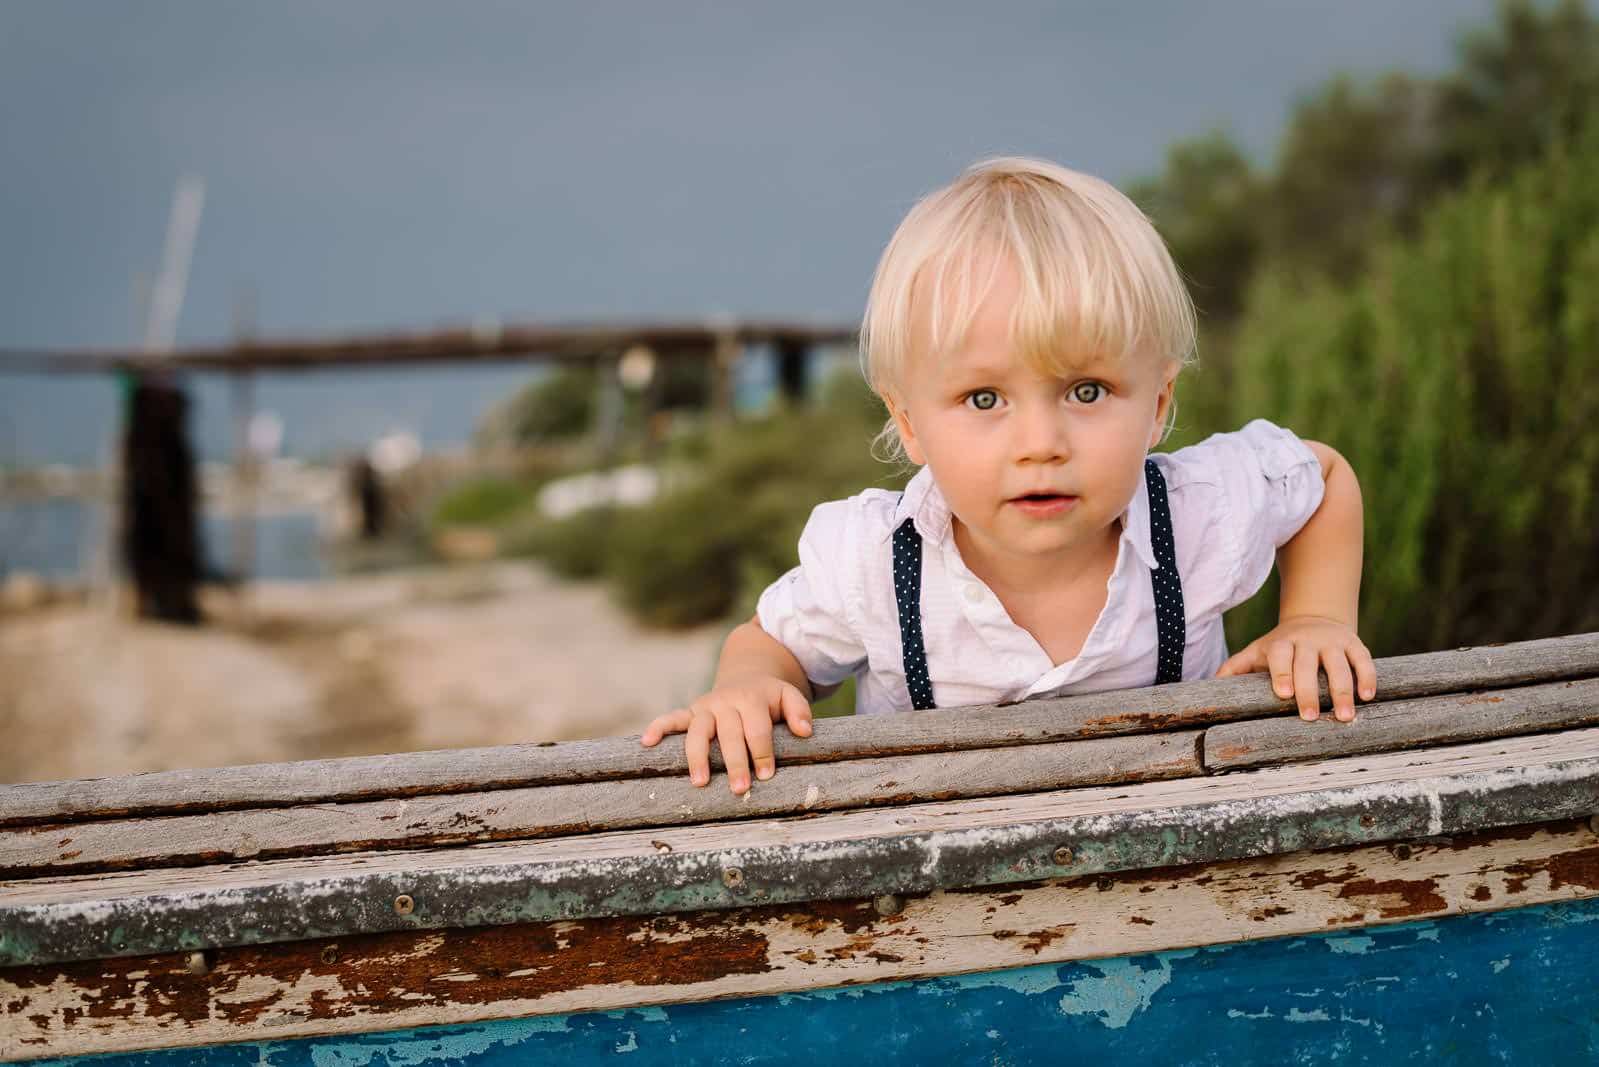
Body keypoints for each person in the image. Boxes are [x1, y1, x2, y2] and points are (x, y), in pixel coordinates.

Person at [643, 156, 1374, 794]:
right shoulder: (875, 562)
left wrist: (1313, 620)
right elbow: (770, 638)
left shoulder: (1196, 514)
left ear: (1157, 404)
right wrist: (747, 687)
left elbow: (1321, 478)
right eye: (983, 399)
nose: (1040, 443)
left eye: (1086, 391)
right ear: (908, 422)